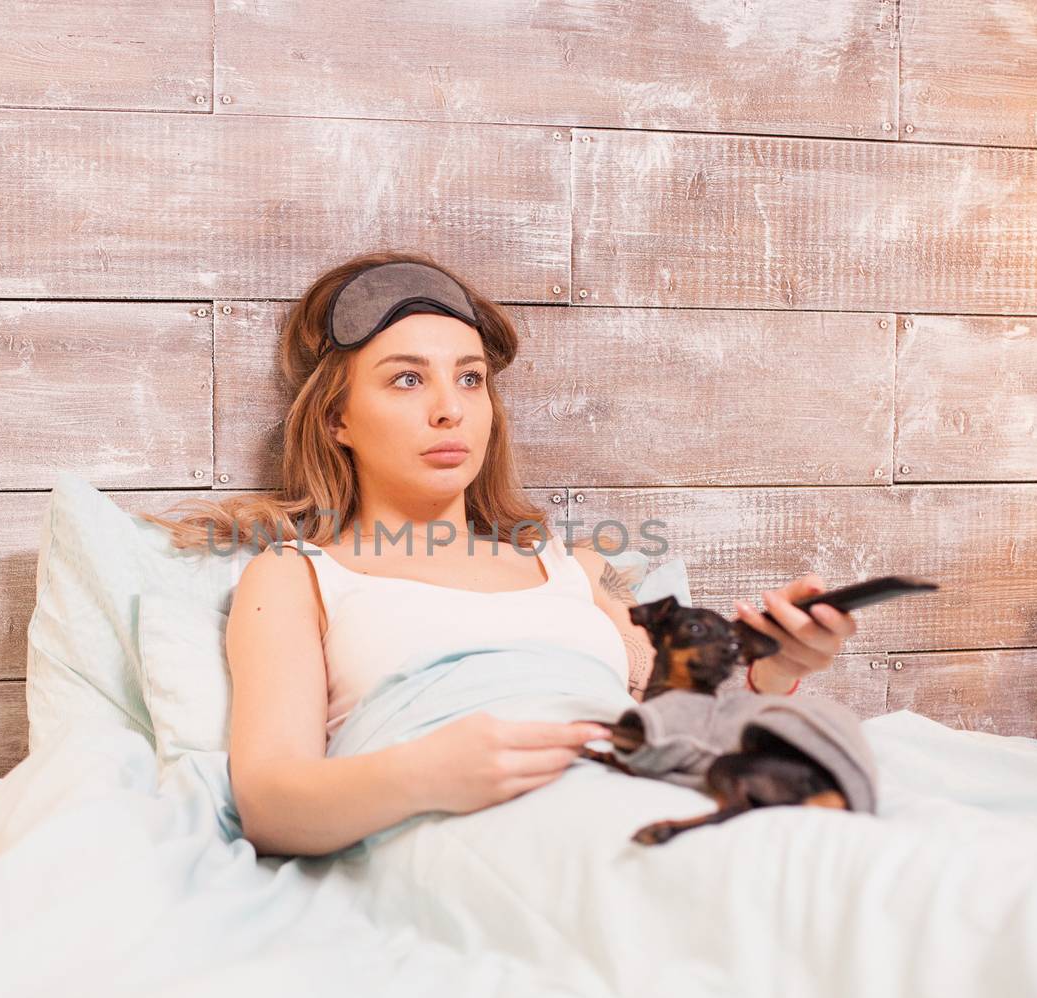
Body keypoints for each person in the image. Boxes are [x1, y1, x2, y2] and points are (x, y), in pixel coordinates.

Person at [139, 250, 857, 858]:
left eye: (470, 377)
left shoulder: (573, 566)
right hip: (478, 836)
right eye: (407, 378)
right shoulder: (298, 575)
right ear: (337, 419)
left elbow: (683, 716)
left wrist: (776, 668)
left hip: (641, 796)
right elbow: (269, 803)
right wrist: (424, 775)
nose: (450, 407)